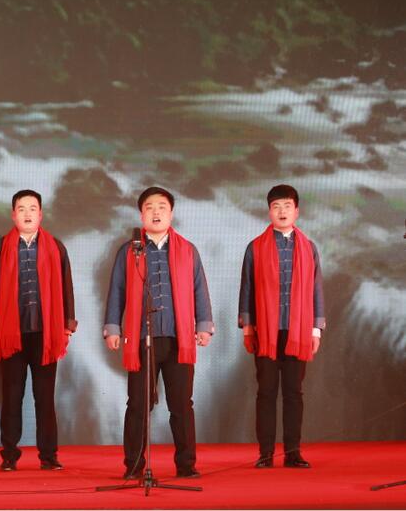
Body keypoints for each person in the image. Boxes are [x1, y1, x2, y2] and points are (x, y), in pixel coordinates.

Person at [104, 186, 213, 480]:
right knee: (138, 404)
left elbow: (199, 289)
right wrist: (113, 327)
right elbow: (117, 291)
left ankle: (186, 465)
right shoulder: (130, 251)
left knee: (182, 405)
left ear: (171, 213)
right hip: (142, 339)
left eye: (162, 207)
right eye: (149, 207)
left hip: (179, 339)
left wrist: (203, 325)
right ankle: (134, 465)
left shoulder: (187, 250)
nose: (156, 212)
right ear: (141, 214)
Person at [0, 189, 76, 472]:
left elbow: (66, 288)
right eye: (21, 209)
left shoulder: (56, 247)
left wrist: (67, 325)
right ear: (13, 215)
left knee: (45, 398)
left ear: (40, 214)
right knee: (12, 397)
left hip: (46, 334)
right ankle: (9, 455)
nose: (27, 214)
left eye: (32, 208)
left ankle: (49, 455)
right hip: (11, 334)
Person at [238, 184, 324, 469]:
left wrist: (315, 329)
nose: (282, 211)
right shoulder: (255, 247)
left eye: (287, 206)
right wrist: (248, 328)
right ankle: (265, 453)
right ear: (269, 212)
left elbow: (316, 290)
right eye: (276, 206)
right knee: (266, 393)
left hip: (297, 331)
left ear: (297, 211)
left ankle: (293, 452)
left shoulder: (309, 248)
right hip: (266, 332)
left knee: (293, 393)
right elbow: (247, 289)